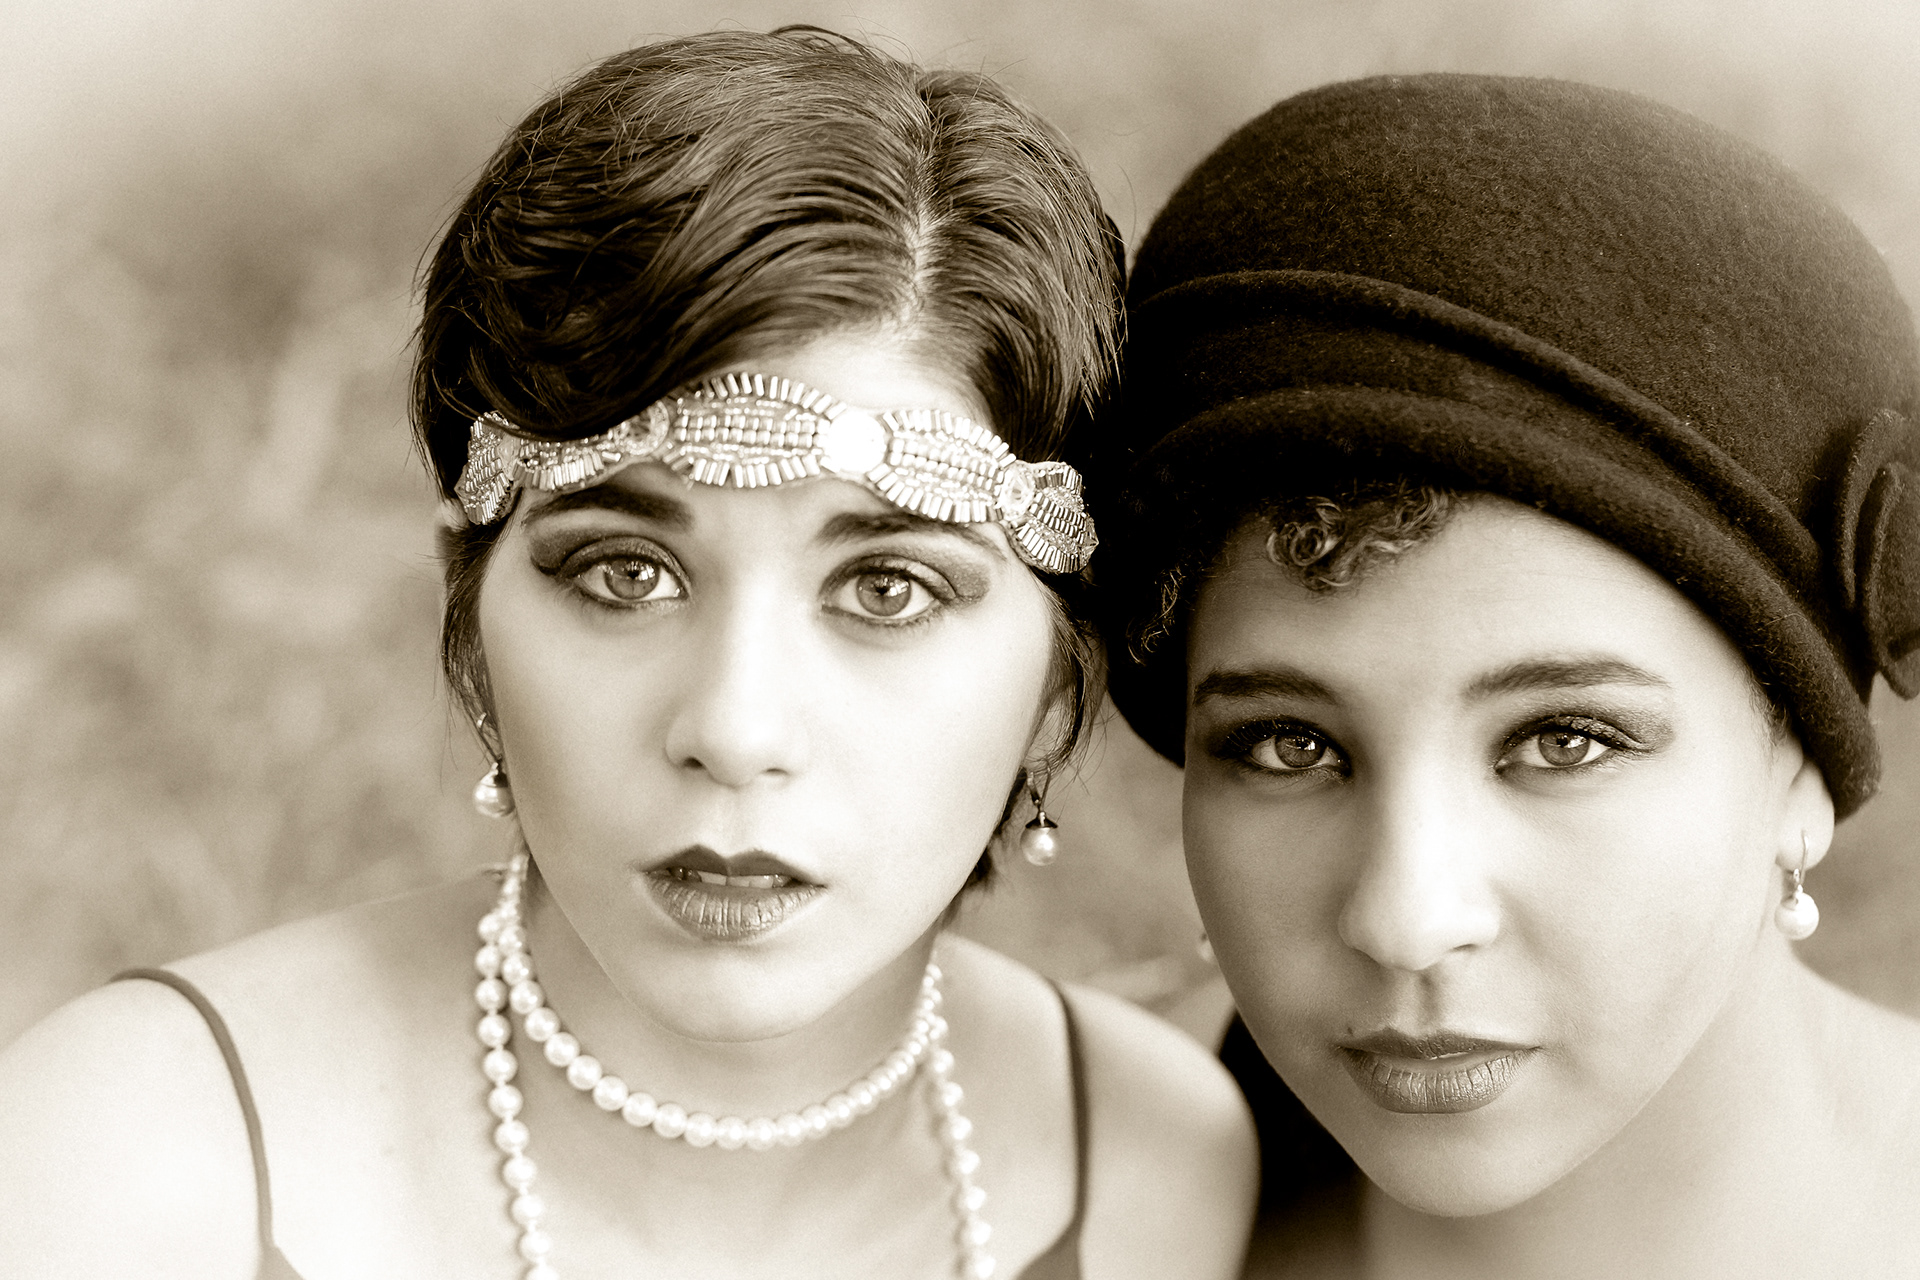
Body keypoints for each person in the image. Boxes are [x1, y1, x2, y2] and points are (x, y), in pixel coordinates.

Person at [0, 30, 1256, 1280]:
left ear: (1060, 679)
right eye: (626, 573)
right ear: (470, 624)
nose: (735, 728)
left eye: (887, 588)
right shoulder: (127, 1165)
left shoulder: (1153, 1167)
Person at [1086, 73, 1920, 1278]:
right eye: (1288, 743)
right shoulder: (1037, 1169)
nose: (1406, 920)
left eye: (1564, 739)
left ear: (1803, 760)